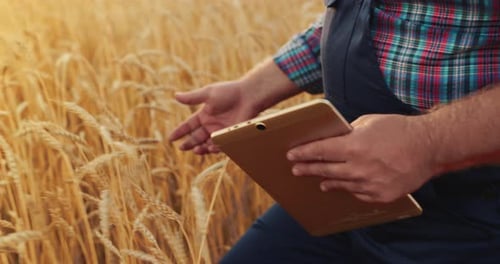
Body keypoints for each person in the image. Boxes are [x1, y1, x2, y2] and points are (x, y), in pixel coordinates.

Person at [170, 0, 500, 262]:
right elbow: (364, 18)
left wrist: (429, 142)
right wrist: (252, 89)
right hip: (340, 197)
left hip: (474, 217)